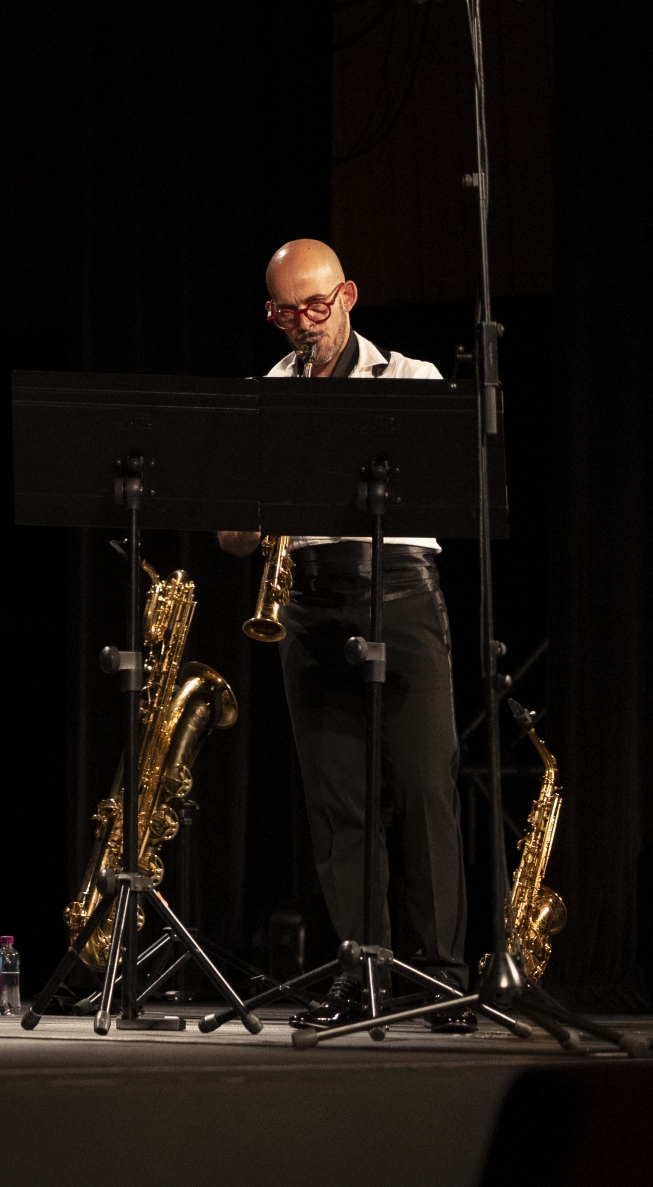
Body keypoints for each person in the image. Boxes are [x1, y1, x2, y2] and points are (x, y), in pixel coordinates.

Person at [218, 238, 472, 1033]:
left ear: (349, 296)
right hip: (308, 595)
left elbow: (445, 488)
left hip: (400, 586)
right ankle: (364, 973)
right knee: (338, 804)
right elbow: (231, 534)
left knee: (425, 790)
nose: (305, 324)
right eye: (287, 312)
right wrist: (248, 522)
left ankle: (443, 976)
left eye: (317, 306)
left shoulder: (410, 379)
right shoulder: (266, 396)